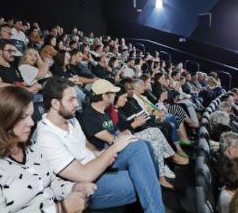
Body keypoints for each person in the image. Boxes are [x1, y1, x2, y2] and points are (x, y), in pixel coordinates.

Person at [34, 77, 165, 212]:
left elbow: (85, 144)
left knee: (140, 146)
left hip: (96, 165)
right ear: (55, 103)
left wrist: (100, 154)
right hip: (84, 184)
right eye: (71, 100)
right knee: (141, 181)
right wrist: (111, 150)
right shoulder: (46, 137)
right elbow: (83, 175)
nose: (77, 104)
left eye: (75, 98)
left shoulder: (71, 119)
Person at [0, 86, 96, 213]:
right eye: (23, 117)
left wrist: (74, 187)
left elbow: (51, 181)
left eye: (30, 116)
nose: (31, 123)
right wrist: (60, 209)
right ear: (3, 120)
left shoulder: (30, 146)